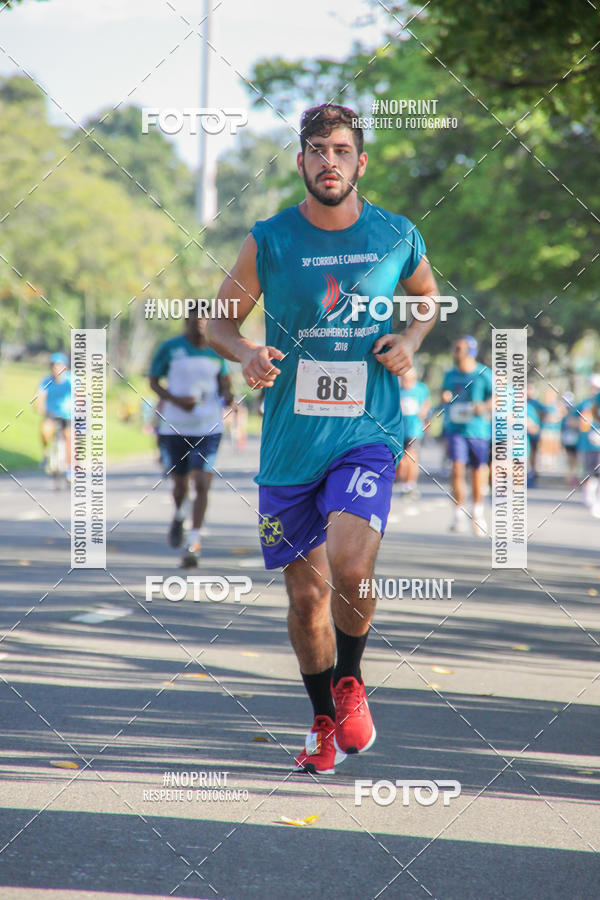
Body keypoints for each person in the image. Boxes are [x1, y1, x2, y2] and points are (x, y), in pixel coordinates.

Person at [208, 103, 438, 774]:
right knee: (306, 601)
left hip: (368, 431)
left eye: (341, 150)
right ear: (302, 161)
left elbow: (425, 297)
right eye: (316, 150)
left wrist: (411, 339)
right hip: (289, 445)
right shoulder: (270, 238)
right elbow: (219, 321)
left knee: (351, 566)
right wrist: (245, 350)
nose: (329, 161)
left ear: (360, 162)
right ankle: (319, 721)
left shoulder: (397, 234)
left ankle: (352, 679)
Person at [149, 304, 232, 567]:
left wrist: (228, 395)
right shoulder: (170, 348)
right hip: (175, 426)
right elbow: (153, 380)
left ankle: (193, 540)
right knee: (181, 485)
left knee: (202, 482)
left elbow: (224, 383)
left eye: (205, 319)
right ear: (187, 320)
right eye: (195, 318)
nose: (200, 323)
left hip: (209, 428)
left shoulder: (217, 351)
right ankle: (179, 515)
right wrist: (176, 400)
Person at [441, 336, 493, 535]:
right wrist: (445, 396)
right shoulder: (450, 374)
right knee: (456, 468)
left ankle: (478, 512)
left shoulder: (484, 374)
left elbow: (496, 397)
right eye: (455, 347)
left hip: (478, 430)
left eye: (459, 347)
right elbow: (444, 392)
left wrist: (485, 406)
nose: (455, 350)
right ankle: (458, 514)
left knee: (478, 471)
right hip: (455, 428)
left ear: (470, 350)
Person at [36, 352, 72, 476]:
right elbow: (40, 397)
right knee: (45, 431)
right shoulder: (47, 381)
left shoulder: (71, 379)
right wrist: (39, 407)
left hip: (68, 415)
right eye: (54, 366)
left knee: (69, 436)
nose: (56, 369)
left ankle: (69, 469)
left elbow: (80, 395)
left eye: (59, 366)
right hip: (51, 413)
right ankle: (46, 454)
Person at [396, 368, 430, 494]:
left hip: (414, 429)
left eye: (407, 378)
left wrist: (424, 413)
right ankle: (405, 483)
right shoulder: (398, 390)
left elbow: (426, 404)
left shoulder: (421, 389)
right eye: (403, 378)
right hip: (400, 430)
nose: (404, 381)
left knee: (410, 456)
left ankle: (410, 484)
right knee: (402, 459)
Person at [576, 376, 600, 517]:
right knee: (589, 472)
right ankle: (590, 496)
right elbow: (575, 421)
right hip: (587, 445)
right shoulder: (585, 403)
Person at [526, 382, 546, 487]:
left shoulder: (535, 404)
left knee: (533, 454)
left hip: (533, 435)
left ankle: (532, 474)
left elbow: (545, 412)